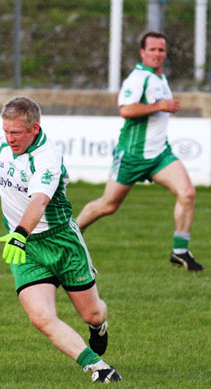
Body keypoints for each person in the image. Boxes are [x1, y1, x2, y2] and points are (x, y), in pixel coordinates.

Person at [0, 92, 122, 384]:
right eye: (6, 131)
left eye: (16, 132)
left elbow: (40, 201)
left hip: (61, 243)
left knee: (92, 315)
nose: (9, 138)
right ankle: (98, 367)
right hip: (26, 249)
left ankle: (99, 328)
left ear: (35, 128)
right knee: (40, 317)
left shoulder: (47, 157)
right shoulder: (9, 146)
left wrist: (19, 233)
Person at [76, 31, 204, 272]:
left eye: (161, 50)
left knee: (187, 193)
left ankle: (180, 251)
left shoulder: (159, 78)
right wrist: (161, 106)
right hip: (132, 155)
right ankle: (71, 234)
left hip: (159, 154)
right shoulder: (138, 78)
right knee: (108, 205)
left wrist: (162, 106)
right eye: (153, 50)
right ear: (142, 52)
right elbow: (125, 109)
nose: (158, 54)